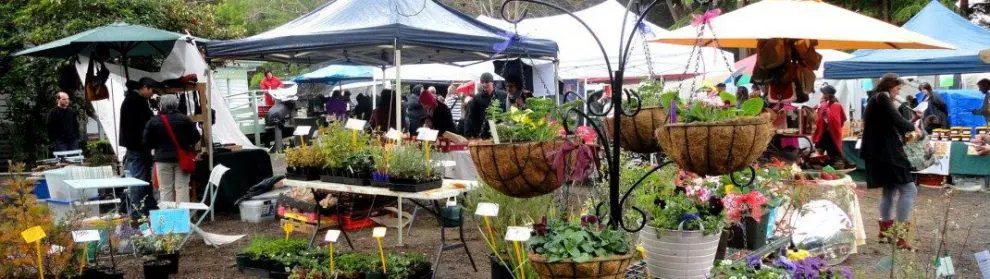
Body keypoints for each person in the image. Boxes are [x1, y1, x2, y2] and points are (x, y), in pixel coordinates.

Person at [861, 73, 918, 251]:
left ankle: (885, 234)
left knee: (890, 190)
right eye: (898, 88)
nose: (898, 92)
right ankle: (900, 236)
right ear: (890, 86)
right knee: (909, 189)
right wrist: (914, 126)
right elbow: (897, 119)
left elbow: (890, 120)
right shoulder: (882, 98)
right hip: (888, 152)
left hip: (878, 152)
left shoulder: (875, 98)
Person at [143, 94, 201, 204]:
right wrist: (186, 145)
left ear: (161, 105)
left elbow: (146, 141)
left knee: (165, 190)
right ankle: (183, 219)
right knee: (182, 188)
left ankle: (168, 219)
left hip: (162, 159)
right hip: (182, 160)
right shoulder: (185, 119)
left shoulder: (154, 121)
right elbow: (196, 136)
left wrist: (158, 146)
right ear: (177, 104)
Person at [120, 77, 161, 220]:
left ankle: (146, 208)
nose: (152, 94)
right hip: (137, 147)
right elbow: (144, 123)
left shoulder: (135, 100)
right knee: (138, 181)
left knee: (143, 180)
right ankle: (136, 214)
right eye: (152, 90)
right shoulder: (134, 101)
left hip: (138, 146)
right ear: (145, 87)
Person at [812, 85, 846, 166]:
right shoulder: (834, 105)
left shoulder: (834, 105)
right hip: (824, 135)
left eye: (823, 93)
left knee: (834, 159)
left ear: (827, 95)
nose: (822, 95)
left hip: (829, 136)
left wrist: (834, 127)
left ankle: (833, 172)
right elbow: (843, 119)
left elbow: (839, 118)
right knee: (818, 156)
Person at [464, 73, 498, 138]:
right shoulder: (476, 98)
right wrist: (468, 135)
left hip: (499, 132)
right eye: (482, 82)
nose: (484, 84)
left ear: (492, 83)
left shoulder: (501, 95)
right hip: (483, 134)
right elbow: (469, 117)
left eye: (487, 82)